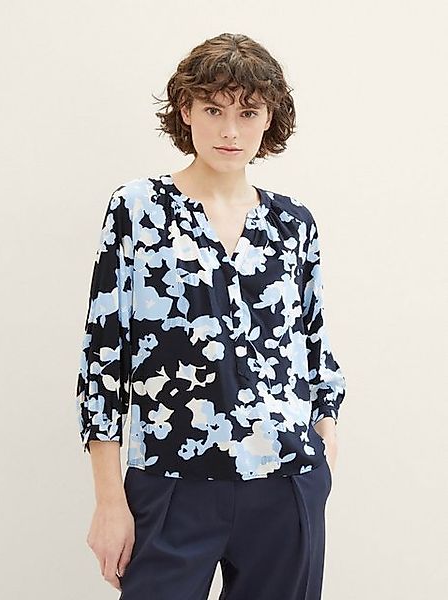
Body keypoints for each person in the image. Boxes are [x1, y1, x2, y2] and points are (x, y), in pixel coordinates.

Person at [75, 32, 347, 600]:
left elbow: (313, 341)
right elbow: (104, 358)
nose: (230, 131)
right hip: (171, 484)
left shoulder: (293, 224)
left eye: (248, 113)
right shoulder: (138, 210)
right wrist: (109, 501)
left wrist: (324, 437)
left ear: (269, 118)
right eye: (214, 110)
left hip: (286, 480)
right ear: (186, 110)